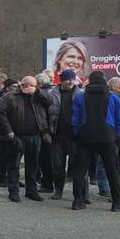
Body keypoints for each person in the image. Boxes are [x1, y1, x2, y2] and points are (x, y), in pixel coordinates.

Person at [71, 71, 120, 211]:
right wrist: (116, 137)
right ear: (104, 80)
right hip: (108, 138)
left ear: (89, 81)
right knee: (112, 171)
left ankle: (77, 201)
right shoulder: (113, 97)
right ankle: (117, 203)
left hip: (85, 137)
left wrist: (78, 135)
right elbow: (119, 121)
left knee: (79, 170)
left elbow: (75, 120)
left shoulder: (80, 97)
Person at [0, 76, 52, 203]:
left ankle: (31, 191)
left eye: (33, 86)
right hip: (17, 135)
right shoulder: (10, 97)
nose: (30, 88)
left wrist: (37, 92)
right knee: (14, 164)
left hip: (35, 135)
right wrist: (9, 132)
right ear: (22, 85)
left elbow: (51, 101)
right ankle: (13, 191)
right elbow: (1, 115)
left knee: (33, 165)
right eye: (28, 85)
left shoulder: (38, 96)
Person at [47, 70, 83, 200]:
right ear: (61, 80)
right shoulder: (51, 94)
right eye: (68, 79)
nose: (70, 82)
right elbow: (45, 114)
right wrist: (46, 131)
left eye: (72, 79)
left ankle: (82, 193)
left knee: (79, 165)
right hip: (57, 135)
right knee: (58, 165)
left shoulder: (81, 94)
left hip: (75, 136)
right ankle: (58, 190)